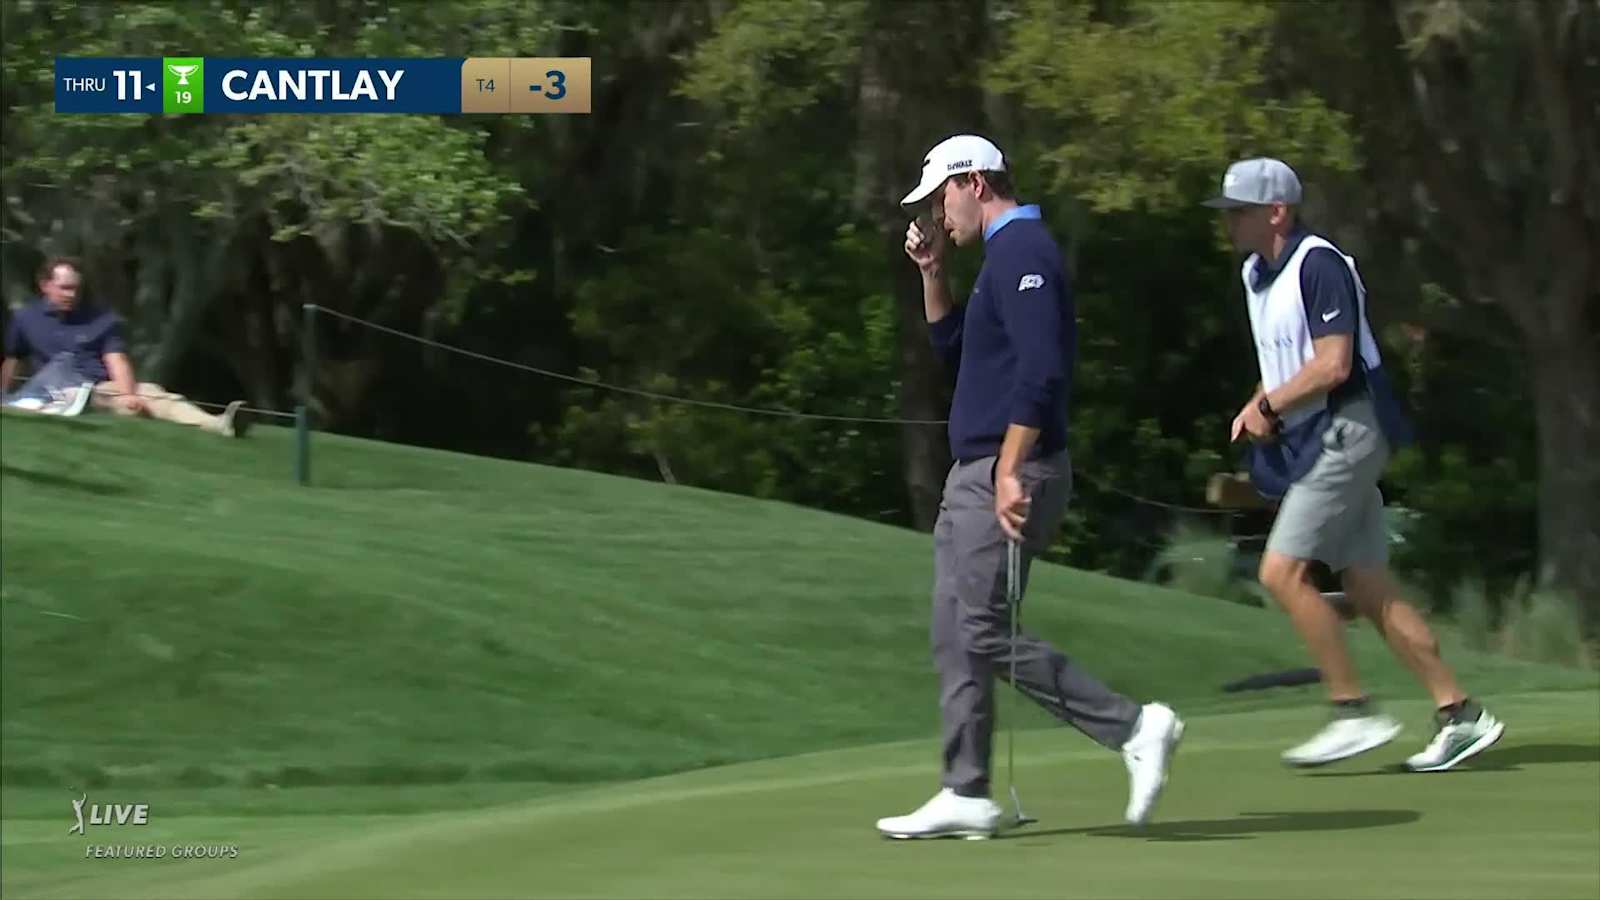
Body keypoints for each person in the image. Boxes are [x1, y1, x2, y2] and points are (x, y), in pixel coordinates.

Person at [875, 135, 1184, 841]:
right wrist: (931, 272)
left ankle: (1135, 726)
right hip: (976, 474)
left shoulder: (1024, 253)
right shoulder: (997, 260)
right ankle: (966, 790)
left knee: (980, 628)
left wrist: (1012, 466)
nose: (935, 214)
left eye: (940, 198)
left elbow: (1043, 374)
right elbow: (955, 350)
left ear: (975, 183)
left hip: (1007, 470)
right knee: (953, 630)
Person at [1204, 157, 1505, 771]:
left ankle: (1353, 710)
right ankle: (1461, 714)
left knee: (1280, 573)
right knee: (1367, 584)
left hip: (1351, 427)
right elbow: (1285, 362)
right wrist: (1257, 404)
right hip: (1317, 436)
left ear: (1276, 212)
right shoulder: (1254, 275)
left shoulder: (1319, 264)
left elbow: (1334, 364)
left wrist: (1269, 403)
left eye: (1238, 212)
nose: (1229, 222)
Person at [1, 256, 249, 437]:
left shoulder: (100, 319)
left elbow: (115, 359)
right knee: (129, 401)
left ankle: (219, 424)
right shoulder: (26, 318)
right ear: (45, 286)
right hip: (55, 394)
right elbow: (13, 361)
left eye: (76, 288)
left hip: (97, 388)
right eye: (65, 288)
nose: (72, 294)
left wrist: (128, 393)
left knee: (148, 392)